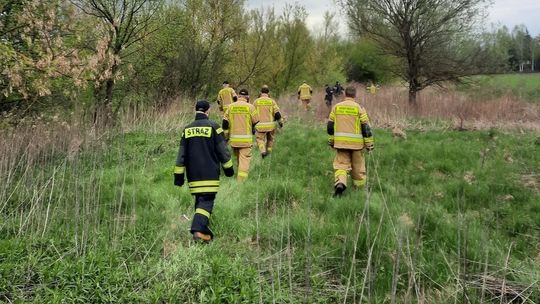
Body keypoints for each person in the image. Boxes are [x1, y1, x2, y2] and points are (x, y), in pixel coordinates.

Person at [174, 100, 235, 242]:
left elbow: (181, 155)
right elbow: (223, 152)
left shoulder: (187, 129)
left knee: (200, 200)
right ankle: (198, 229)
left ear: (195, 111)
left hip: (193, 176)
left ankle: (204, 234)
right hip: (210, 174)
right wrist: (229, 170)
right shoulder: (214, 127)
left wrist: (178, 176)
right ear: (208, 111)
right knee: (207, 201)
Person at [327, 86, 374, 197]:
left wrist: (331, 141)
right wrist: (369, 144)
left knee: (341, 165)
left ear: (345, 94)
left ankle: (340, 183)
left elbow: (330, 127)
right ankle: (359, 189)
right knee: (358, 168)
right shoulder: (359, 108)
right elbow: (366, 128)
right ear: (355, 95)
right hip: (357, 145)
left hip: (341, 144)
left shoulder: (336, 107)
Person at [223, 89, 259, 181]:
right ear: (247, 97)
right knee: (244, 161)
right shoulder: (250, 107)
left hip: (234, 141)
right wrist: (253, 131)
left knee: (239, 159)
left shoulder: (230, 107)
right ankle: (241, 183)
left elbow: (224, 123)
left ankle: (238, 177)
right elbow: (256, 121)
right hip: (245, 141)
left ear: (238, 96)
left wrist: (226, 137)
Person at [253, 86, 283, 158]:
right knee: (270, 139)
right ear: (268, 93)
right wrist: (280, 122)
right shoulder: (272, 101)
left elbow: (252, 114)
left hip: (260, 126)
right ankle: (269, 151)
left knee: (260, 139)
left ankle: (263, 151)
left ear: (261, 92)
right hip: (270, 126)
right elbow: (277, 114)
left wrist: (252, 125)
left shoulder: (256, 102)